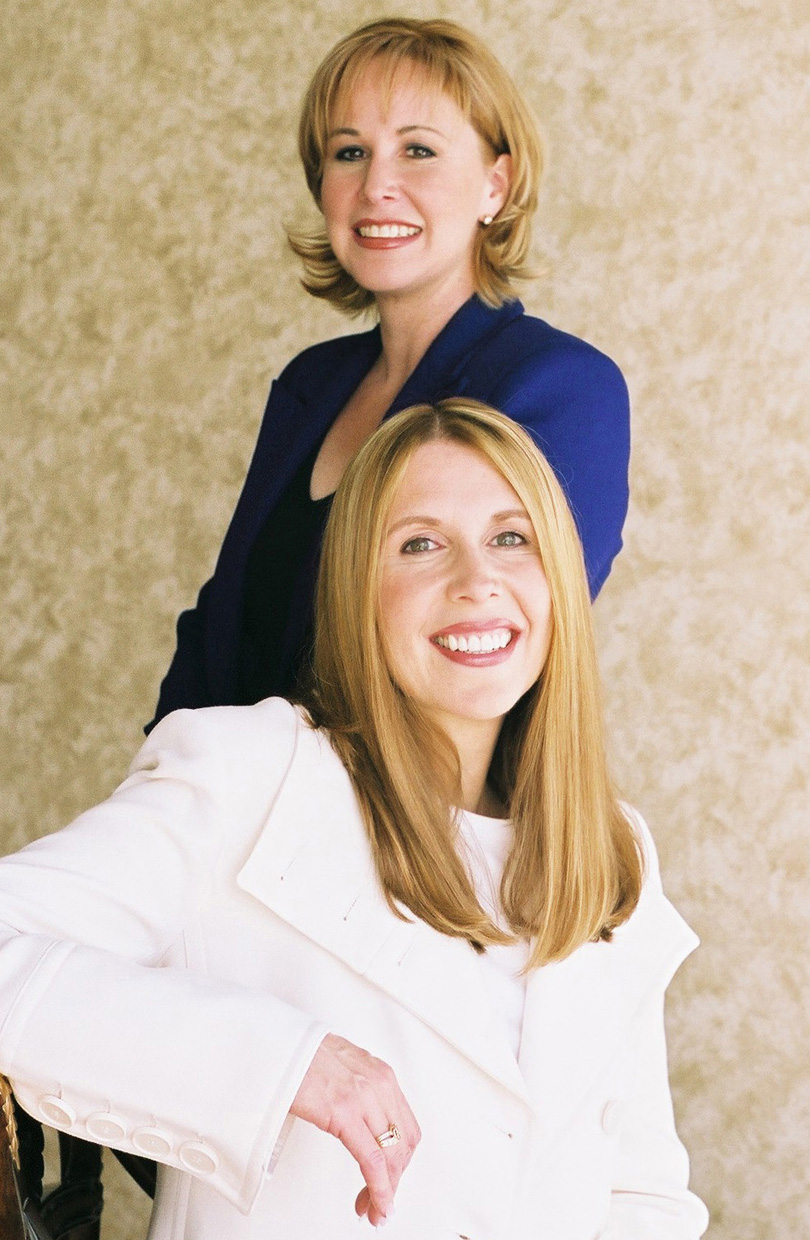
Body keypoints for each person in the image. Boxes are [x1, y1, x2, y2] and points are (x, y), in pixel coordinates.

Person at [0, 401, 707, 1239]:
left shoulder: (611, 848)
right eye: (421, 544)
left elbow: (641, 1198)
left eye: (512, 538)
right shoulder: (252, 773)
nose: (477, 580)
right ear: (356, 589)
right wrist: (285, 1062)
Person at [150, 15, 632, 726]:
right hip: (222, 784)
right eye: (349, 152)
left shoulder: (560, 388)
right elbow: (219, 624)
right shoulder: (312, 383)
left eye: (418, 150)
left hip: (394, 794)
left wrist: (259, 778)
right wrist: (166, 771)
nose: (376, 185)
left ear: (494, 186)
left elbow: (477, 658)